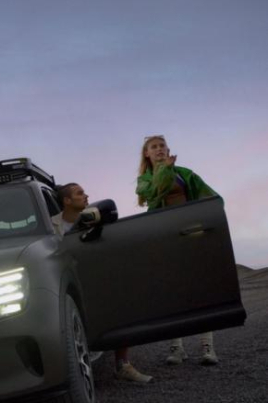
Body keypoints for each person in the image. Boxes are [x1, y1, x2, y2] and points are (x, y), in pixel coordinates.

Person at [53, 183, 153, 383]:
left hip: (93, 274)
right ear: (67, 200)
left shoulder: (93, 218)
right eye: (80, 193)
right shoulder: (50, 225)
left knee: (119, 300)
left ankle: (123, 365)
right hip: (64, 282)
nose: (86, 195)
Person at [136, 134, 219, 365]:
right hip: (164, 237)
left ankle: (207, 346)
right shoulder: (143, 180)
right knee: (172, 291)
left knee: (200, 288)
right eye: (154, 146)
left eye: (162, 145)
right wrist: (164, 169)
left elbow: (210, 196)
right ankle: (177, 347)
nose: (159, 149)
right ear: (147, 154)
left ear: (168, 149)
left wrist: (214, 217)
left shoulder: (185, 173)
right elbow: (156, 192)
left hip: (191, 233)